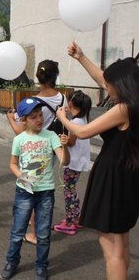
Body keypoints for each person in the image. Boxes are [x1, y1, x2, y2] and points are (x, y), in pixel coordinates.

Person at [56, 42, 139, 280]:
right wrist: (81, 57)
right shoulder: (136, 103)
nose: (107, 87)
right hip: (128, 175)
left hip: (114, 177)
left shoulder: (124, 108)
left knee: (110, 248)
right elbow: (103, 79)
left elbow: (83, 132)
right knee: (121, 240)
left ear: (122, 85)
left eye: (111, 85)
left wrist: (64, 117)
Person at [1, 97, 69, 280]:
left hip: (46, 192)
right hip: (24, 191)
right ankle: (12, 261)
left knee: (43, 233)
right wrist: (22, 176)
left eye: (40, 115)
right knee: (17, 231)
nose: (39, 119)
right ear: (23, 120)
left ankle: (41, 265)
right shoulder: (19, 139)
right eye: (33, 117)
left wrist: (65, 146)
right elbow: (13, 164)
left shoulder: (51, 136)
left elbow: (65, 160)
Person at [6, 59, 67, 245]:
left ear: (38, 77)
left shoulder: (34, 102)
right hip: (53, 147)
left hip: (33, 150)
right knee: (44, 187)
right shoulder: (63, 97)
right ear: (55, 76)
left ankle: (33, 232)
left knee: (32, 187)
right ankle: (41, 224)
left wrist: (10, 118)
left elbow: (20, 132)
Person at [53, 90, 92, 235]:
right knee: (72, 190)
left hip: (73, 162)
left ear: (70, 103)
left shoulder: (74, 122)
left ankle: (70, 222)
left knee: (68, 191)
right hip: (79, 161)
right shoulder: (82, 119)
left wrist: (62, 138)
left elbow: (71, 142)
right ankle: (76, 218)